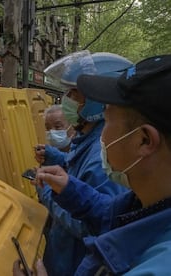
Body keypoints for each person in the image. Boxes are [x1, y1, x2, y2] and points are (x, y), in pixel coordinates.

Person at [25, 55, 171, 275]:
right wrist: (68, 189)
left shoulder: (157, 267)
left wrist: (46, 194)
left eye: (108, 119)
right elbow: (109, 213)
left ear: (144, 140)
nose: (100, 136)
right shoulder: (147, 202)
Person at [33, 51, 132, 276]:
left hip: (73, 262)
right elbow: (80, 173)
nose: (66, 99)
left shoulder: (103, 153)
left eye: (74, 93)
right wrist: (55, 157)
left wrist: (47, 193)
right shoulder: (87, 136)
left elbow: (94, 225)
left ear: (97, 101)